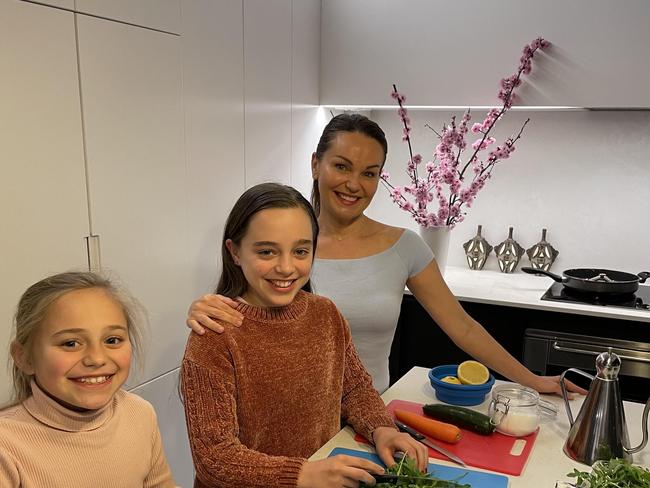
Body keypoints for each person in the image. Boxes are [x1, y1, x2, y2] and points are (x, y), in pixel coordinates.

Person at [186, 113, 585, 397]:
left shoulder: (404, 246)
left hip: (371, 416)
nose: (353, 184)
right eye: (342, 166)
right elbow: (240, 315)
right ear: (315, 164)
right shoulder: (284, 247)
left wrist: (531, 379)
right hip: (289, 422)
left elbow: (462, 326)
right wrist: (203, 309)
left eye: (369, 173)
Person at [181, 182, 428, 488]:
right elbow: (214, 459)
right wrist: (302, 474)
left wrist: (382, 428)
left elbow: (354, 390)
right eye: (267, 251)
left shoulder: (325, 315)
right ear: (235, 252)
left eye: (300, 251)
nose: (286, 267)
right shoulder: (214, 336)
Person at [0, 272, 177, 488]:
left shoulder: (140, 413)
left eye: (112, 340)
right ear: (24, 357)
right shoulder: (6, 447)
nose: (97, 358)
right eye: (71, 343)